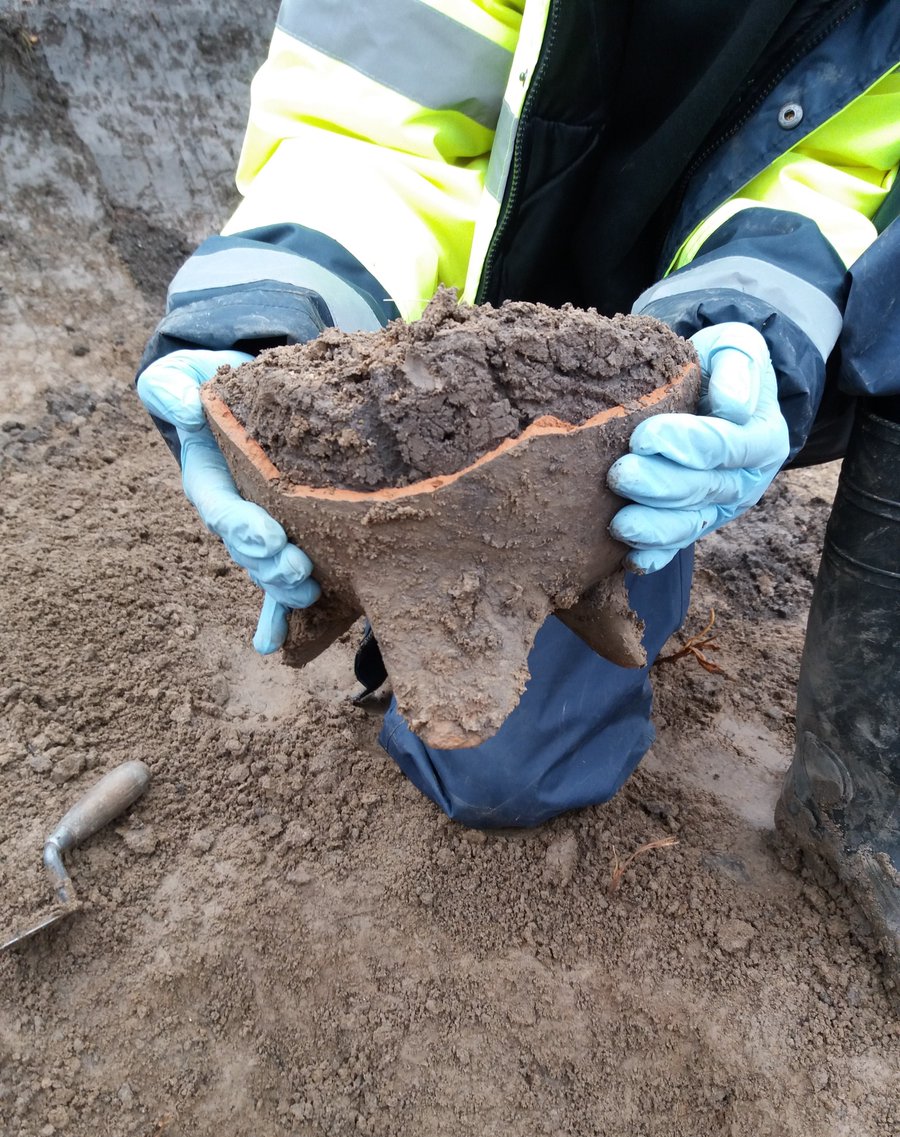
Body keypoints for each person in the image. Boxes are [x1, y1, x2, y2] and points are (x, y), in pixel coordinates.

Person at [137, 3, 899, 982]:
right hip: (484, 305)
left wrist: (750, 329)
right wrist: (265, 313)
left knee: (587, 612)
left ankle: (655, 568)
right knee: (503, 770)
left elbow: (833, 174)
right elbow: (371, 122)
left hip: (652, 397)